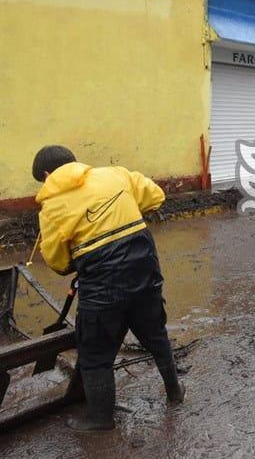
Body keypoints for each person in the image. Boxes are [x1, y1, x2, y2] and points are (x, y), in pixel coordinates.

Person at [32, 145, 185, 432]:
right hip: (145, 272)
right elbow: (156, 196)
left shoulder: (51, 208)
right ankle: (175, 392)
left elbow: (56, 260)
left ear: (46, 174)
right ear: (74, 162)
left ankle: (100, 418)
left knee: (95, 354)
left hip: (101, 286)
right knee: (155, 335)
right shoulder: (116, 175)